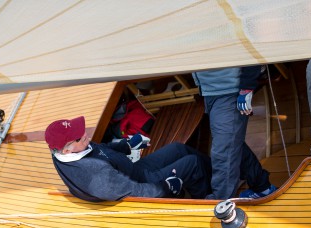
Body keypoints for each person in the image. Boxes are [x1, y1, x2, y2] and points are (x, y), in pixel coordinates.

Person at [45, 116, 212, 202]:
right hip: (139, 183)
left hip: (132, 171)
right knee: (192, 163)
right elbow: (134, 191)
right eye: (79, 137)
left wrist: (127, 145)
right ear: (66, 150)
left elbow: (101, 149)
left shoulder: (68, 149)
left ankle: (221, 172)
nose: (86, 135)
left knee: (178, 148)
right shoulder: (95, 176)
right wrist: (166, 187)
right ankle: (206, 201)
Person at [193, 66, 277, 200]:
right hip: (210, 91)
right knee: (231, 141)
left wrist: (247, 88)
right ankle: (262, 187)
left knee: (224, 151)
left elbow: (249, 48)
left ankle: (221, 204)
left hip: (229, 89)